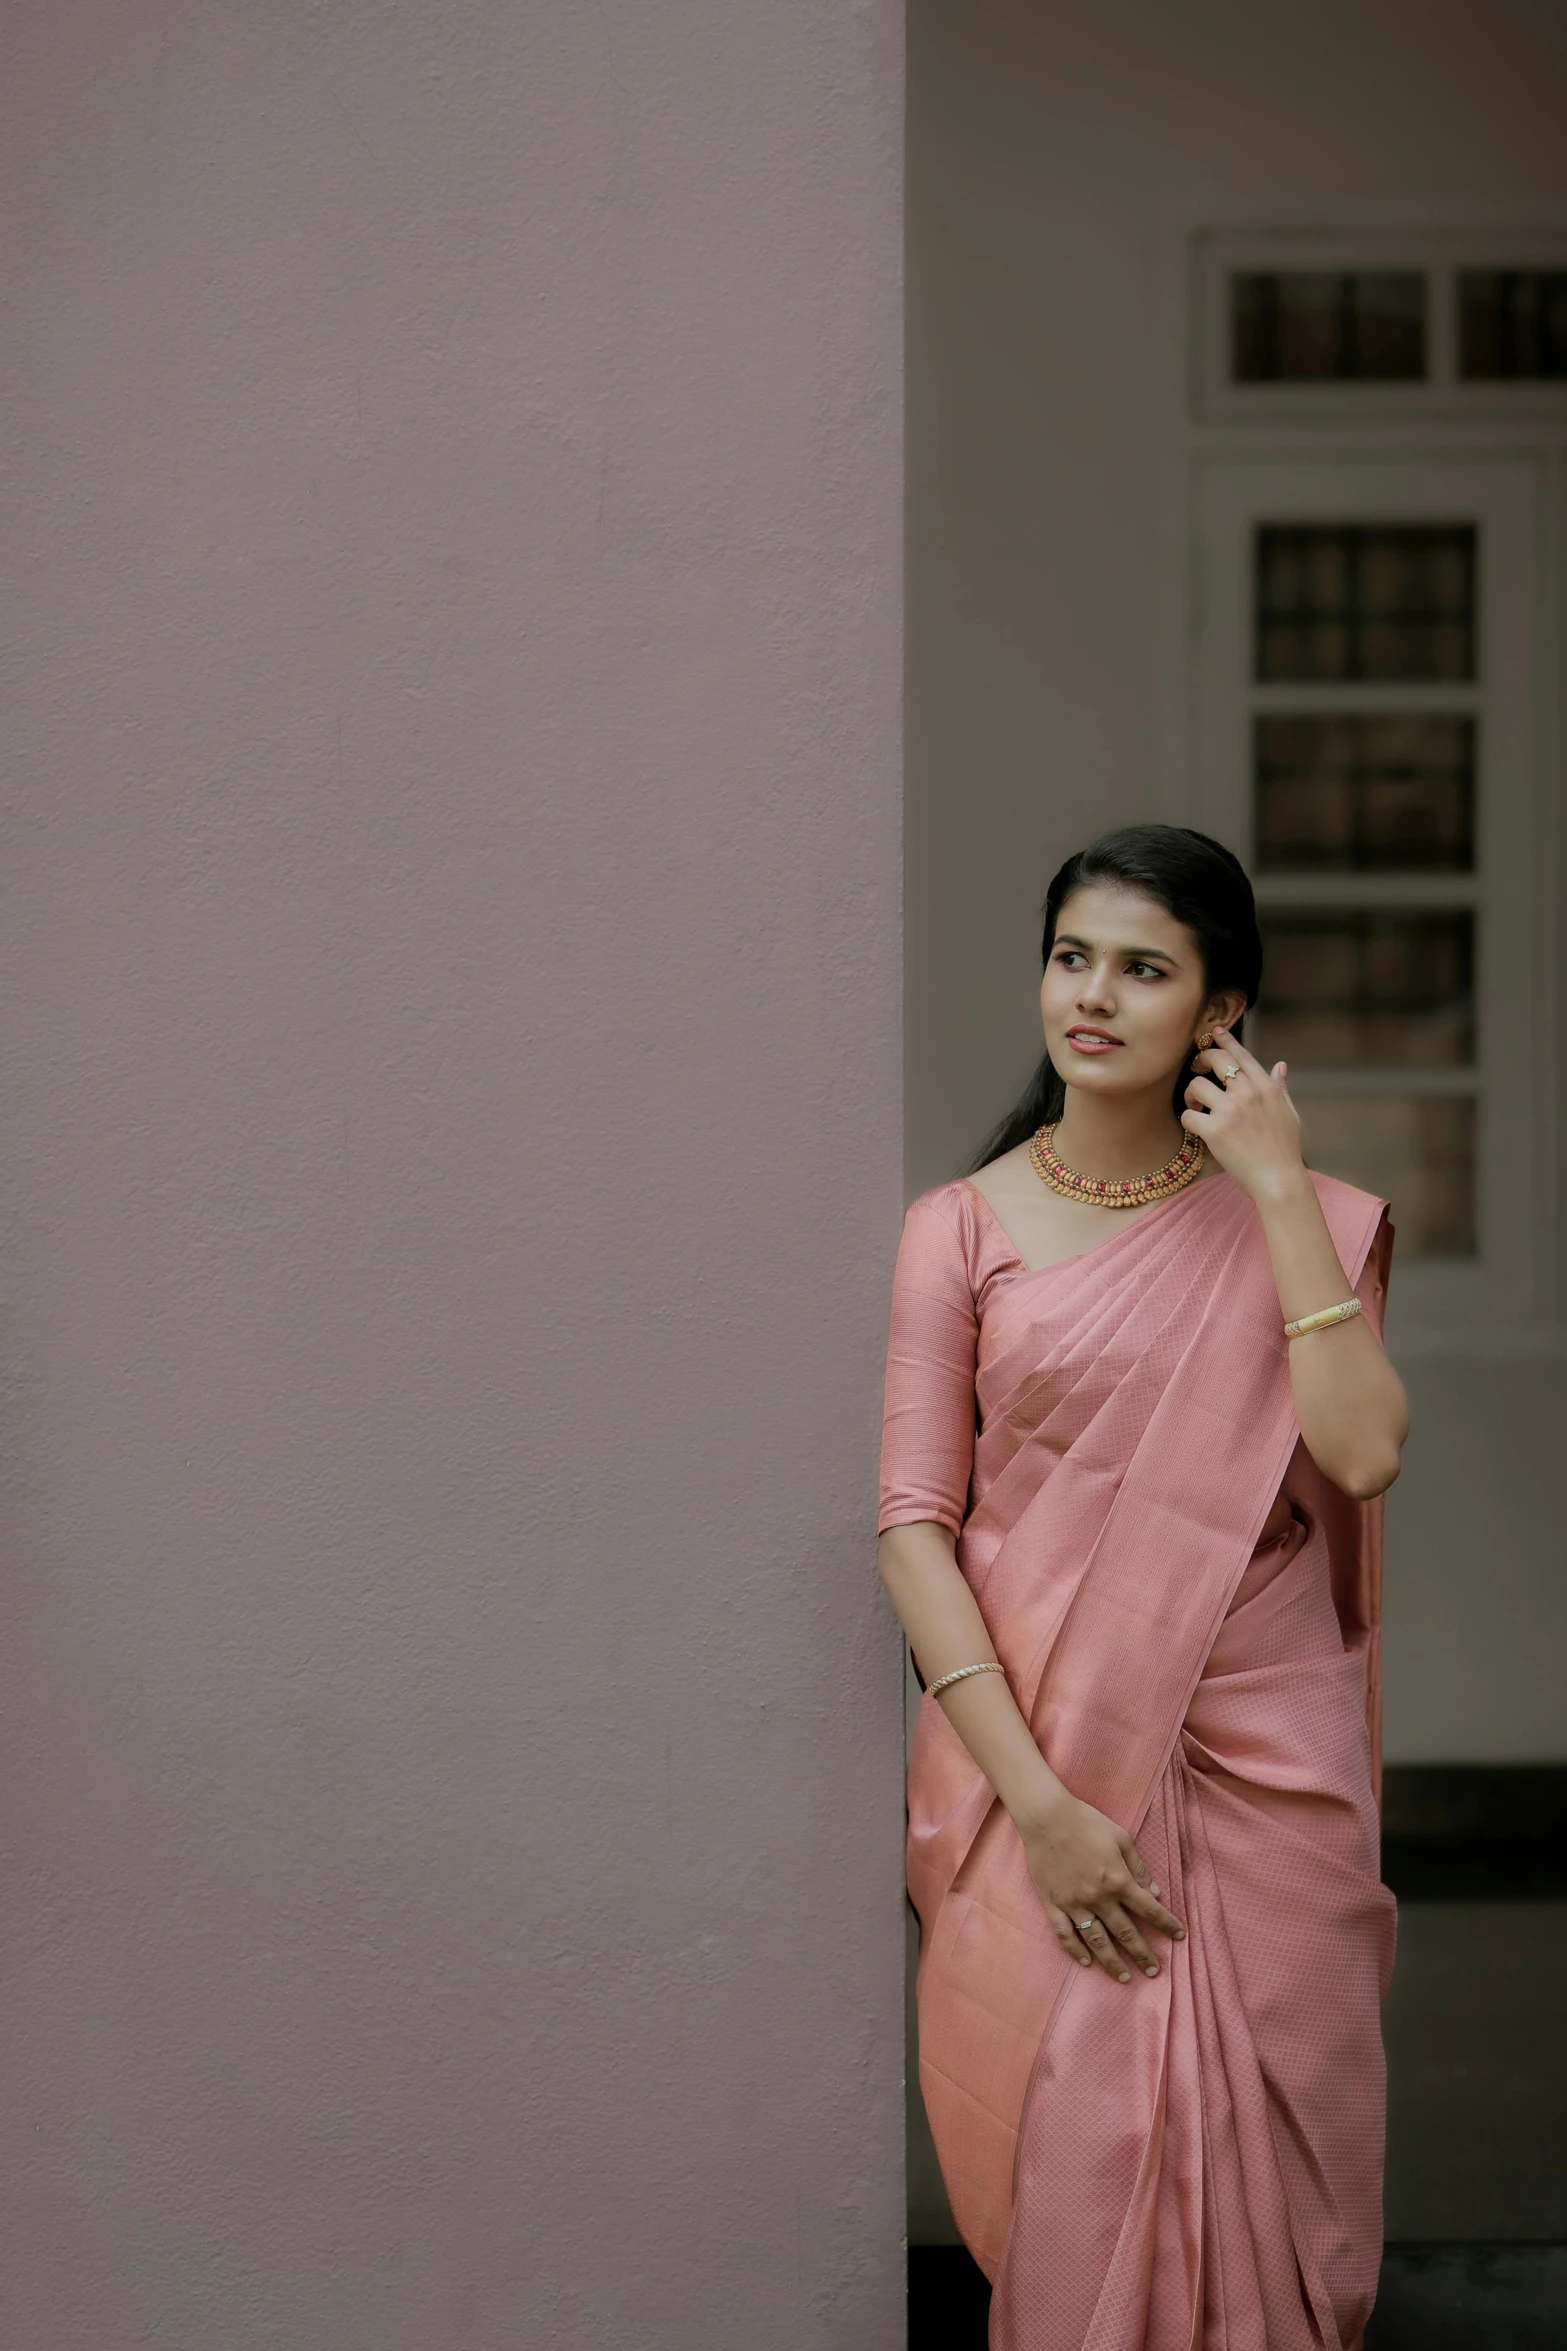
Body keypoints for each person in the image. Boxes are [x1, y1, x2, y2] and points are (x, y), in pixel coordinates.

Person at [878, 825, 1407, 2351]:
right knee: (1083, 2173)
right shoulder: (956, 1231)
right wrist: (1038, 1804)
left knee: (1279, 2186)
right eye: (1070, 955)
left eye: (1142, 967)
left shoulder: (1302, 1216)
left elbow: (1360, 1454)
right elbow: (913, 1524)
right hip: (1041, 1767)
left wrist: (1276, 1188)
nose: (1091, 995)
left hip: (1262, 1770)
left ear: (1219, 1012)